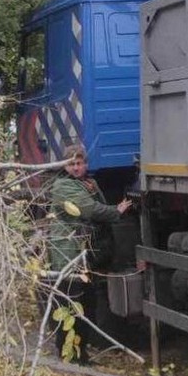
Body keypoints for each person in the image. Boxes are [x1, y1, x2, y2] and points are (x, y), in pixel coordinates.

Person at [46, 143, 132, 363]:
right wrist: (116, 211)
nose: (76, 168)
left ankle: (80, 352)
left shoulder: (88, 183)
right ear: (65, 166)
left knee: (86, 304)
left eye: (80, 163)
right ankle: (70, 355)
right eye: (71, 164)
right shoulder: (62, 187)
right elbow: (89, 209)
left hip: (84, 253)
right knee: (71, 304)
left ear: (86, 164)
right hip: (68, 253)